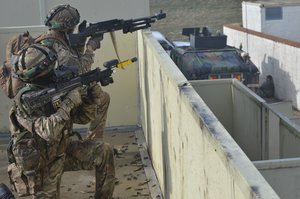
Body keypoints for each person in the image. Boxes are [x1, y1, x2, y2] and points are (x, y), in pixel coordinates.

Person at [7, 44, 115, 198]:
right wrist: (68, 103)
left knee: (103, 150)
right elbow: (48, 132)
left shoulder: (55, 89)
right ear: (38, 74)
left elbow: (83, 118)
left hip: (61, 152)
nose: (54, 71)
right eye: (49, 68)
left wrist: (91, 93)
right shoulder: (25, 101)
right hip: (39, 167)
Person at [35, 4, 109, 140]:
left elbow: (72, 64)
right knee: (102, 98)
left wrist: (81, 42)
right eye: (73, 26)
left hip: (47, 95)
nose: (74, 29)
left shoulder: (47, 39)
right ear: (67, 27)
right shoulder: (60, 47)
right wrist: (90, 48)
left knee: (96, 89)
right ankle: (95, 144)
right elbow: (80, 71)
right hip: (57, 101)